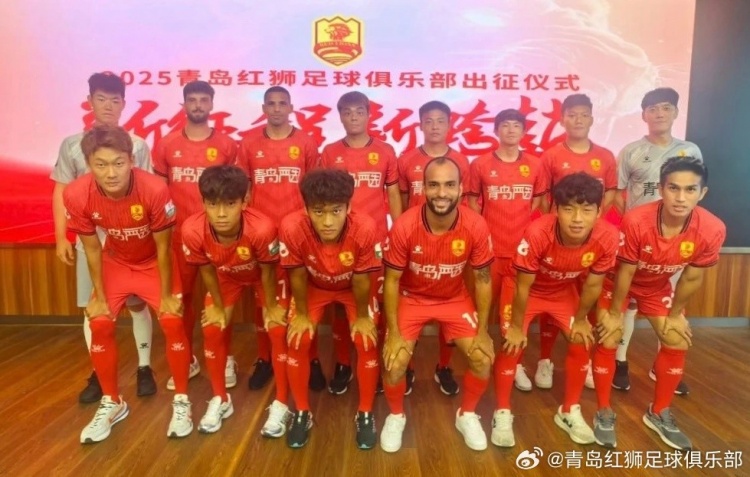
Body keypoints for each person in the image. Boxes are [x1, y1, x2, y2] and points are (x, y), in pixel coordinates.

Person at [64, 125, 193, 443]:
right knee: (99, 322)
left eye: (118, 163)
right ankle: (112, 402)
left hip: (153, 263)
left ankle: (182, 401)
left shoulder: (154, 189)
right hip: (117, 262)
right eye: (101, 164)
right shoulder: (77, 194)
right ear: (89, 163)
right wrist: (99, 296)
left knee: (172, 319)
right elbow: (92, 248)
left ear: (131, 160)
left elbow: (164, 247)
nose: (111, 173)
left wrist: (166, 295)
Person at [592, 157, 724, 450]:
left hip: (656, 286)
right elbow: (625, 271)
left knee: (677, 338)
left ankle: (659, 411)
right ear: (661, 189)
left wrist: (676, 315)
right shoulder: (637, 220)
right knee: (609, 334)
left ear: (702, 193)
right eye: (673, 188)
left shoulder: (712, 228)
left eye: (690, 190)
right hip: (617, 283)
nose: (681, 197)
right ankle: (603, 410)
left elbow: (692, 277)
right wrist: (614, 313)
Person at [51, 72, 156, 403]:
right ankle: (99, 371)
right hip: (89, 241)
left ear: (123, 104)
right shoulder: (72, 145)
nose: (108, 106)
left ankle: (144, 367)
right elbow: (61, 191)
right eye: (101, 99)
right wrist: (61, 237)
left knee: (137, 304)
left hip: (130, 239)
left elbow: (149, 194)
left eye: (115, 100)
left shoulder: (137, 146)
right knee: (93, 307)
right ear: (90, 102)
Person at [493, 172, 618, 448]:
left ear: (599, 212)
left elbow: (593, 284)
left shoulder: (609, 236)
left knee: (581, 339)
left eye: (586, 210)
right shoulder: (538, 232)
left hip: (561, 290)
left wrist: (581, 320)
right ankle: (501, 411)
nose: (577, 219)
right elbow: (523, 285)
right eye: (569, 209)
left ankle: (569, 410)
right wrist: (516, 328)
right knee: (512, 344)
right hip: (525, 289)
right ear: (556, 209)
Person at [380, 157, 495, 453]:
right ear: (422, 188)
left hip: (454, 298)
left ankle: (466, 414)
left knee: (482, 358)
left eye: (449, 185)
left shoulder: (475, 225)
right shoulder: (405, 225)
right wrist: (393, 334)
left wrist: (483, 331)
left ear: (461, 189)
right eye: (433, 185)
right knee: (394, 362)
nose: (441, 193)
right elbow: (391, 281)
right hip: (412, 298)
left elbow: (483, 280)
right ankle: (396, 416)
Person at [181, 165, 290, 436]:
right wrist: (218, 307)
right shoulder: (192, 229)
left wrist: (271, 306)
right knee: (212, 328)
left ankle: (282, 401)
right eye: (213, 204)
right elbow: (206, 269)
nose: (221, 213)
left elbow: (267, 271)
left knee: (277, 329)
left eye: (230, 204)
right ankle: (220, 398)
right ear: (203, 203)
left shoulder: (262, 228)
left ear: (245, 201)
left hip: (265, 275)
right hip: (227, 276)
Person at [279, 168, 382, 449]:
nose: (327, 221)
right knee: (297, 339)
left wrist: (363, 317)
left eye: (336, 211)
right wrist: (301, 315)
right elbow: (297, 274)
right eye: (318, 211)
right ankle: (302, 412)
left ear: (349, 207)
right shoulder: (291, 227)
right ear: (306, 209)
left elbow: (362, 279)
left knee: (366, 339)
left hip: (352, 289)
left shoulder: (365, 227)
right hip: (315, 287)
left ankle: (365, 412)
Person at [610, 87, 703, 394]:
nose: (659, 114)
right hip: (637, 243)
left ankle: (661, 365)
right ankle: (620, 361)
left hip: (675, 243)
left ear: (675, 112)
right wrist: (637, 224)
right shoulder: (631, 151)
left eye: (665, 108)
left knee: (671, 303)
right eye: (652, 109)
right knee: (627, 303)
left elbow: (692, 191)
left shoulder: (690, 151)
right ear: (643, 115)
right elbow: (618, 195)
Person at [237, 86, 325, 392]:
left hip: (299, 234)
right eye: (271, 104)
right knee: (264, 299)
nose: (276, 108)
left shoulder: (306, 142)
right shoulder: (248, 143)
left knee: (304, 299)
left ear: (290, 108)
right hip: (260, 235)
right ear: (263, 108)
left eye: (282, 103)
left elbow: (315, 190)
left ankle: (311, 358)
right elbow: (244, 190)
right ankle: (265, 358)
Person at [153, 80, 237, 390]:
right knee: (183, 299)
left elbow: (236, 194)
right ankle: (187, 358)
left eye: (203, 99)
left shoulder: (228, 145)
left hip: (219, 236)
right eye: (192, 99)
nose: (198, 105)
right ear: (184, 104)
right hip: (178, 238)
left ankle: (225, 357)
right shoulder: (166, 144)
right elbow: (158, 193)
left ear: (212, 104)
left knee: (221, 298)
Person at [320, 91, 402, 395]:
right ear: (340, 116)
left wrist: (398, 232)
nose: (353, 117)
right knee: (343, 308)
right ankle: (343, 363)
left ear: (369, 115)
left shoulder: (385, 150)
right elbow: (323, 200)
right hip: (340, 244)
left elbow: (393, 193)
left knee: (377, 306)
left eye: (359, 112)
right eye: (347, 112)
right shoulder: (330, 153)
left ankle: (376, 363)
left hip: (377, 242)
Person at [537, 93, 618, 390]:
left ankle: (587, 360)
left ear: (592, 119)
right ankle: (544, 360)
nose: (578, 120)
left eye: (584, 114)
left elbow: (611, 193)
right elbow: (543, 198)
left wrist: (590, 223)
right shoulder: (551, 156)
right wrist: (559, 228)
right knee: (554, 296)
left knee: (592, 299)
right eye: (572, 115)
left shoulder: (606, 156)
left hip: (592, 245)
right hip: (559, 245)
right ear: (562, 120)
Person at [467, 109, 547, 394]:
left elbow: (538, 203)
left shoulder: (536, 165)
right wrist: (482, 234)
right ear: (496, 130)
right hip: (488, 252)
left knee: (513, 315)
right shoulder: (480, 164)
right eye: (505, 125)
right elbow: (473, 203)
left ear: (524, 132)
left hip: (521, 255)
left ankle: (515, 365)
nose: (511, 130)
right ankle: (478, 357)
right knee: (482, 309)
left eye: (516, 125)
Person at [397, 100, 472, 396]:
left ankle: (443, 366)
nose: (434, 126)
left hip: (452, 245)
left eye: (440, 121)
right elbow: (403, 202)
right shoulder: (406, 160)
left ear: (450, 124)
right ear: (420, 124)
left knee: (448, 307)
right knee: (409, 311)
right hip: (414, 246)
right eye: (428, 121)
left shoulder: (461, 161)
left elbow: (463, 205)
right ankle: (408, 368)